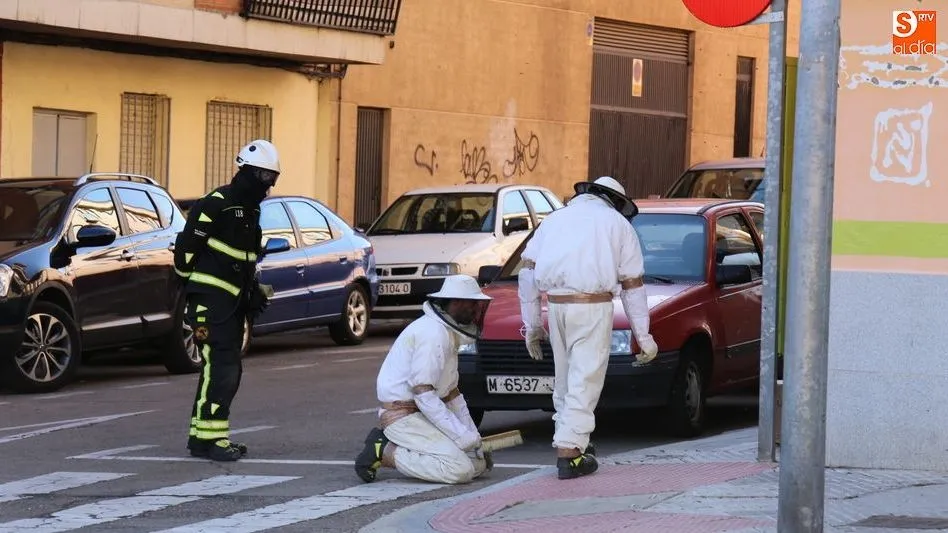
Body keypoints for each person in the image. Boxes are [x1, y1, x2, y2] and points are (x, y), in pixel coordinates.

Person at [517, 176, 658, 479]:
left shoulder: (554, 220)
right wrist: (643, 336)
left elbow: (527, 272)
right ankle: (570, 453)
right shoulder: (618, 225)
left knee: (565, 380)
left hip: (555, 306)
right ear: (615, 202)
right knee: (586, 380)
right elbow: (633, 284)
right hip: (592, 307)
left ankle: (575, 441)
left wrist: (531, 326)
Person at [173, 139, 280, 461]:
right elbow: (185, 256)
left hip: (231, 302)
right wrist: (204, 290)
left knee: (223, 368)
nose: (267, 186)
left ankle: (204, 436)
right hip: (210, 301)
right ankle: (211, 440)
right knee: (221, 368)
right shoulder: (215, 203)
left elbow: (245, 258)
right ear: (246, 172)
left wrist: (251, 290)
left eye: (272, 179)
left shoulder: (251, 208)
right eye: (263, 177)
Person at [355, 274, 492, 484]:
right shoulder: (432, 334)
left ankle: (424, 455)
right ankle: (385, 451)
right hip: (403, 416)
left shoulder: (447, 332)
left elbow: (451, 395)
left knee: (477, 464)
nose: (476, 311)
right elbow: (423, 394)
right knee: (460, 470)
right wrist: (461, 437)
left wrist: (473, 439)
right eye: (473, 304)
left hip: (424, 412)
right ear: (456, 302)